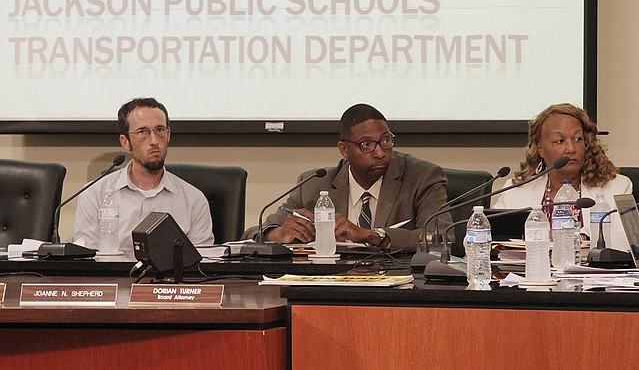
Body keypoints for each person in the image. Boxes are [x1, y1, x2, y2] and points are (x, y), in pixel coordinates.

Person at [243, 103, 453, 252]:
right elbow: (251, 234)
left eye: (386, 141)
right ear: (344, 150)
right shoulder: (314, 184)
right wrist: (277, 234)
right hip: (329, 286)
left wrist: (373, 235)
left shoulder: (422, 177)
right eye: (366, 145)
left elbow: (442, 238)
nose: (380, 152)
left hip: (399, 289)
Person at [73, 97, 214, 252]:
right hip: (112, 276)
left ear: (168, 135)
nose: (154, 140)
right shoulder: (94, 194)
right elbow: (87, 261)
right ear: (125, 142)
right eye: (143, 132)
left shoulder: (194, 200)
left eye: (160, 130)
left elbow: (202, 265)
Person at [494, 103, 632, 248]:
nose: (571, 149)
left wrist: (583, 237)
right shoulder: (516, 190)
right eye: (560, 141)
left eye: (578, 139)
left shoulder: (617, 187)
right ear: (540, 148)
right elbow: (479, 236)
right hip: (532, 268)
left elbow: (630, 240)